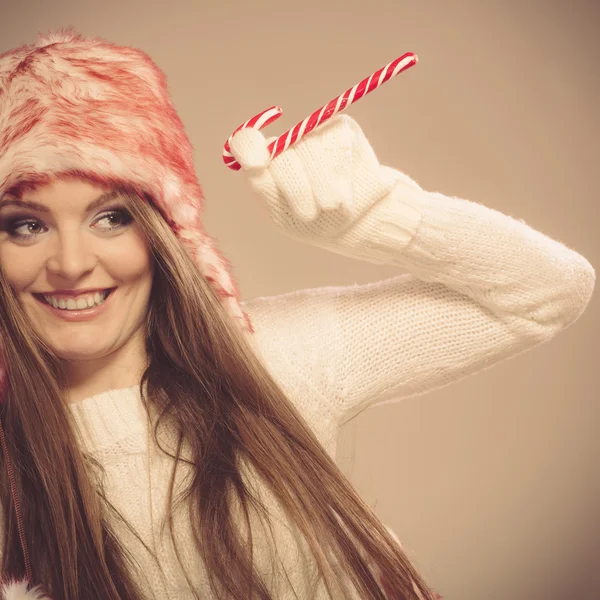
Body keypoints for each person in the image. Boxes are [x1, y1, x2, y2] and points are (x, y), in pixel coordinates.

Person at [0, 29, 594, 600]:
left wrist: (377, 218)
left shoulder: (275, 361)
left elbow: (546, 289)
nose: (72, 264)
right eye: (25, 225)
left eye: (112, 217)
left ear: (166, 233)